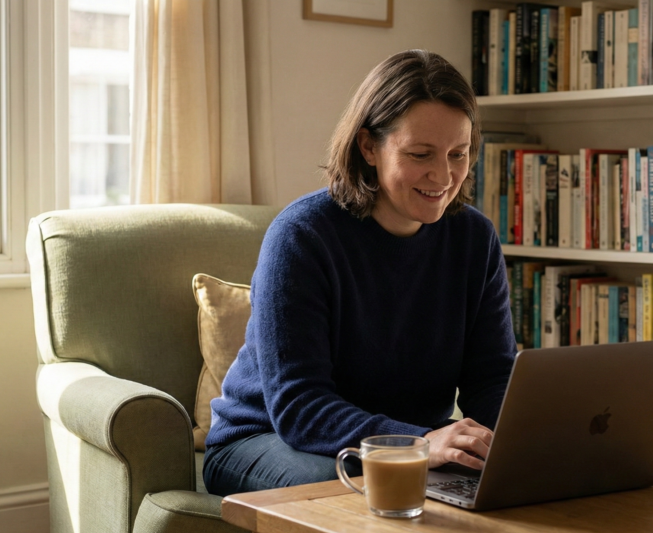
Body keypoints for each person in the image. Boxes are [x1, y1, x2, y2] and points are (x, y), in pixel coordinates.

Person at [202, 50, 516, 497]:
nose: (444, 175)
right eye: (420, 153)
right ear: (369, 146)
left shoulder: (474, 239)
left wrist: (523, 443)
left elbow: (492, 377)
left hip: (405, 439)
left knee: (488, 481)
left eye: (458, 154)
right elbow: (299, 407)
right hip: (263, 439)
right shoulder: (301, 236)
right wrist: (421, 442)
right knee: (386, 486)